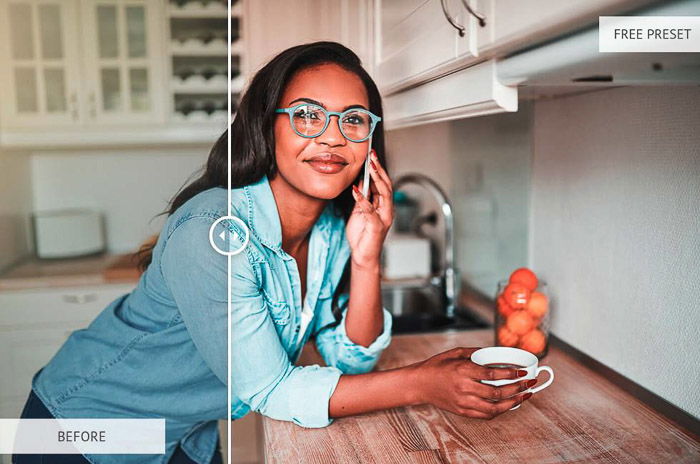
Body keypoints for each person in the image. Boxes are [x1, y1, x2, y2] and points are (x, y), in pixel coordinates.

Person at [13, 42, 532, 464]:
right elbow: (272, 390)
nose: (331, 138)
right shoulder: (213, 229)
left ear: (370, 140)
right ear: (267, 126)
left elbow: (349, 356)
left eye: (353, 120)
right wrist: (423, 383)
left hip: (183, 435)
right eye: (308, 115)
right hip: (80, 429)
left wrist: (369, 258)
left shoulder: (331, 231)